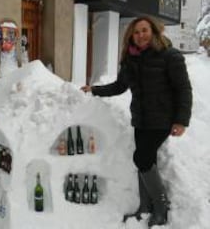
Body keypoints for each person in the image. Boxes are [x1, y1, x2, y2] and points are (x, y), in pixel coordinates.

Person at [81, 16, 192, 227]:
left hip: (162, 119)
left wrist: (181, 120)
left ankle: (161, 207)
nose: (141, 35)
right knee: (147, 160)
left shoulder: (170, 56)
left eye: (144, 30)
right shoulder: (131, 60)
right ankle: (145, 206)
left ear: (154, 32)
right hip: (141, 120)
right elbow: (119, 86)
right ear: (131, 36)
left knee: (141, 158)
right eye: (136, 32)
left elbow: (183, 89)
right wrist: (95, 90)